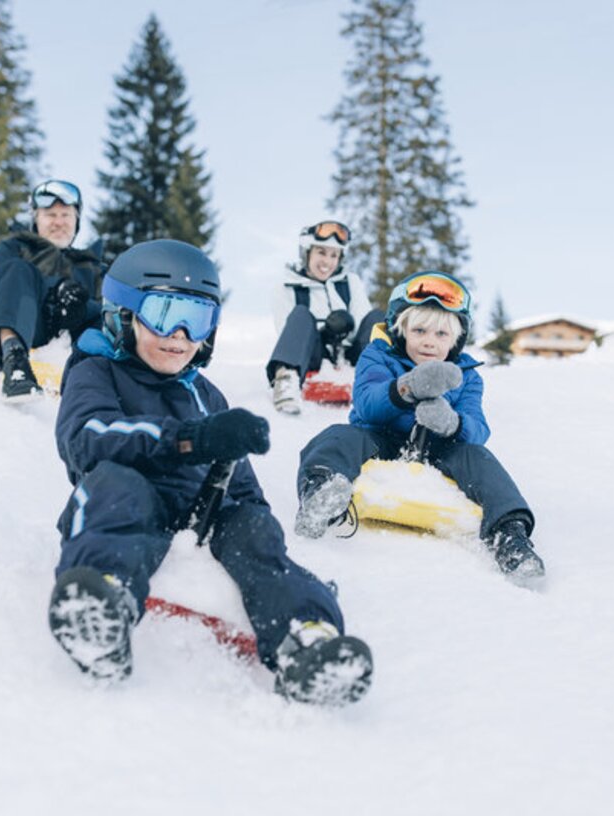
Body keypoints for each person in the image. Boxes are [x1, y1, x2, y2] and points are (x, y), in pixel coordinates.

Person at [47, 238, 373, 706]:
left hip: (206, 511)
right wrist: (189, 439)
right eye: (163, 314)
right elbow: (87, 437)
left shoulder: (207, 392)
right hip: (128, 499)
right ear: (123, 312)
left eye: (196, 319)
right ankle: (101, 607)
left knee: (256, 528)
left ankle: (307, 638)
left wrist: (240, 485)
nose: (179, 334)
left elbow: (244, 490)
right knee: (117, 487)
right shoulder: (96, 371)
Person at [293, 271, 546, 589]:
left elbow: (478, 427)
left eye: (442, 334)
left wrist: (453, 424)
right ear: (401, 330)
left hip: (439, 447)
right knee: (336, 437)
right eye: (420, 330)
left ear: (456, 340)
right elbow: (367, 402)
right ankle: (320, 493)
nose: (430, 340)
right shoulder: (379, 355)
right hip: (380, 435)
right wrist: (405, 389)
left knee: (479, 458)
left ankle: (510, 535)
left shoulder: (467, 375)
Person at [0, 179, 104, 401]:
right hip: (22, 326)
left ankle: (98, 379)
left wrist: (78, 307)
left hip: (75, 345)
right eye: (50, 215)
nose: (58, 222)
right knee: (15, 270)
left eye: (65, 215)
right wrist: (53, 294)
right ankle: (15, 363)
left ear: (76, 220)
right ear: (36, 219)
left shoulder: (92, 267)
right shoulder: (15, 249)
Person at [266, 220, 384, 415]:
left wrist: (342, 326)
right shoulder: (286, 287)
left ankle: (382, 381)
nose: (327, 262)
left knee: (377, 318)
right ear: (307, 252)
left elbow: (364, 323)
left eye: (334, 255)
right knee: (301, 314)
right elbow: (287, 332)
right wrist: (325, 332)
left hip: (351, 357)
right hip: (312, 356)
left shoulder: (350, 283)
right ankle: (286, 380)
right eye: (321, 252)